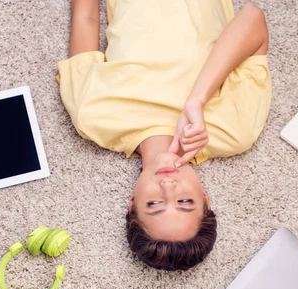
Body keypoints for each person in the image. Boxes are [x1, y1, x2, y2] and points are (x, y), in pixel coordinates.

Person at [58, 0, 271, 270]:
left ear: (132, 202)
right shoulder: (234, 131)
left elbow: (85, 16)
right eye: (185, 201)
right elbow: (253, 17)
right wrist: (197, 100)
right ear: (204, 197)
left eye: (155, 203)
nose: (169, 188)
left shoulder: (92, 117)